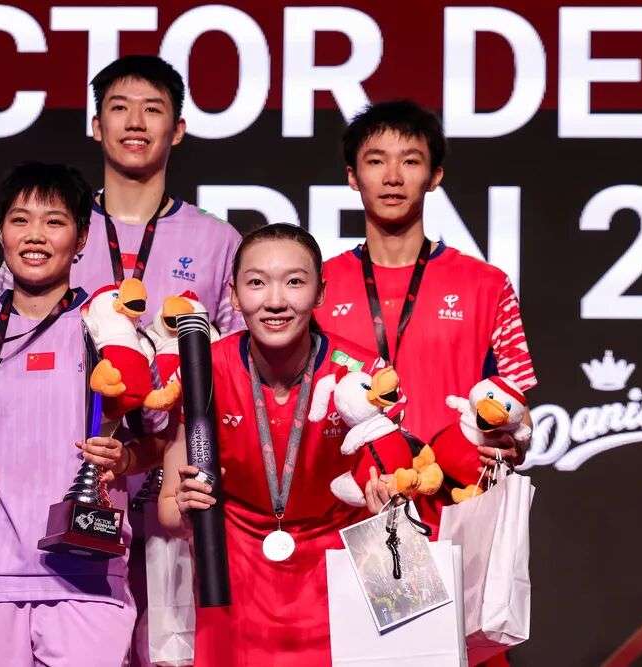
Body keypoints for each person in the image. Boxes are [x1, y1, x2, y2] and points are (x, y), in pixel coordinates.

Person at [0, 163, 159, 665]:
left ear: (81, 238)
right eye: (21, 220)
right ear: (1, 233)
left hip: (87, 581)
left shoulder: (113, 330)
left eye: (54, 222)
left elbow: (160, 441)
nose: (35, 235)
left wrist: (125, 460)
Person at [314, 100, 536, 667]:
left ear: (435, 175)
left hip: (456, 517)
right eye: (376, 161)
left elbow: (518, 407)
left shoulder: (486, 285)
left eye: (410, 161)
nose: (392, 176)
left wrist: (514, 437)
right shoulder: (316, 287)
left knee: (453, 657)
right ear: (352, 176)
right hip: (349, 516)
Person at [158, 224, 412, 666]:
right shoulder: (202, 370)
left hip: (340, 569)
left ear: (320, 292)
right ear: (234, 294)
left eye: (294, 282)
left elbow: (399, 488)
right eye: (256, 282)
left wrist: (388, 500)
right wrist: (184, 505)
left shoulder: (364, 375)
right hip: (231, 573)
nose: (275, 301)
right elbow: (167, 511)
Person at [0, 55, 244, 335]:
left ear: (177, 130)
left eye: (152, 109)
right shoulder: (50, 229)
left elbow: (242, 357)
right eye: (119, 107)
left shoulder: (218, 240)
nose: (135, 123)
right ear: (97, 126)